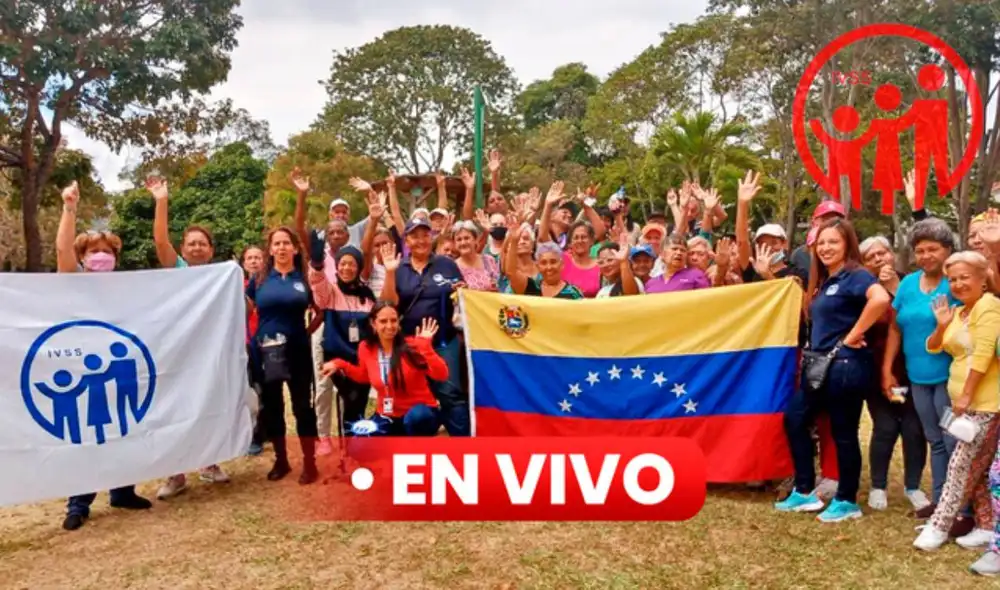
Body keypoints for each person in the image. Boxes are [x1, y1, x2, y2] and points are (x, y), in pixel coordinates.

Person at [776, 218, 891, 523]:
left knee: (844, 433)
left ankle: (847, 500)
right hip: (820, 367)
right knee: (795, 419)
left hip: (846, 367)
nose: (826, 248)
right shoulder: (826, 280)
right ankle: (803, 490)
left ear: (847, 245)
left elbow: (880, 299)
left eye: (834, 242)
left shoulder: (856, 275)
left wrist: (854, 334)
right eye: (822, 243)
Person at [54, 182, 153, 531]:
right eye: (93, 250)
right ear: (83, 258)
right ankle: (78, 503)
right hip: (84, 371)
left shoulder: (124, 287)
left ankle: (123, 491)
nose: (100, 255)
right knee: (88, 434)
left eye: (106, 250)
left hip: (121, 367)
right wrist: (69, 208)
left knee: (124, 426)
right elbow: (62, 250)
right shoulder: (74, 280)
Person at [146, 176, 230, 498]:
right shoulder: (177, 268)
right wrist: (162, 200)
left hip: (207, 355)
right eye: (191, 242)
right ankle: (175, 473)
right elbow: (159, 243)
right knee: (175, 410)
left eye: (202, 243)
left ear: (210, 250)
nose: (197, 247)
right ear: (183, 249)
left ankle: (209, 463)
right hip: (176, 354)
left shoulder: (219, 276)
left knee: (207, 405)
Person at [914, 252, 1000, 551]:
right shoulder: (960, 311)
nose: (958, 284)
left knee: (960, 466)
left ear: (982, 278)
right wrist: (941, 325)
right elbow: (934, 347)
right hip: (961, 405)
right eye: (953, 279)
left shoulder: (989, 307)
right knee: (976, 468)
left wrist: (967, 394)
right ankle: (987, 527)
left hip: (984, 403)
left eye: (965, 277)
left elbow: (984, 352)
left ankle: (939, 526)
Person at [885, 219, 962, 521]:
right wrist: (887, 368)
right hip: (917, 377)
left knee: (953, 441)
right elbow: (895, 327)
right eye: (920, 250)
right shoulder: (907, 284)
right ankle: (942, 500)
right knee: (934, 439)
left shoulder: (955, 282)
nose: (926, 255)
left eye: (933, 249)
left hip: (948, 376)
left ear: (947, 250)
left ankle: (959, 508)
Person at [379, 218, 469, 437]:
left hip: (442, 344)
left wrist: (463, 291)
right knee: (411, 399)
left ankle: (465, 449)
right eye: (415, 236)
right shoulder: (398, 268)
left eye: (425, 235)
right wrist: (390, 272)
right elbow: (389, 304)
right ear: (406, 240)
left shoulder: (447, 264)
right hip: (409, 346)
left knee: (451, 395)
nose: (421, 240)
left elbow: (462, 297)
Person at [857, 236, 927, 513]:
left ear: (892, 254)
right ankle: (878, 486)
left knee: (913, 429)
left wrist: (895, 289)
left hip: (914, 370)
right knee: (885, 428)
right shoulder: (862, 289)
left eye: (882, 252)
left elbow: (916, 318)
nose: (878, 259)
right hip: (877, 371)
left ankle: (913, 486)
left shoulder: (912, 283)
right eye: (870, 256)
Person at [246, 227, 320, 484]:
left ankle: (310, 463)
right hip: (266, 351)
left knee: (303, 407)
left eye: (286, 243)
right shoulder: (260, 279)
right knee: (273, 407)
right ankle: (281, 460)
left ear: (295, 248)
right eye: (276, 244)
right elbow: (245, 310)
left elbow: (320, 310)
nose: (281, 248)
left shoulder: (306, 278)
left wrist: (305, 331)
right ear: (270, 249)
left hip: (297, 350)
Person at [322, 304, 448, 436]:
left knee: (416, 418)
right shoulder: (366, 347)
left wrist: (426, 348)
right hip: (388, 415)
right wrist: (340, 364)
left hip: (419, 412)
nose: (389, 326)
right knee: (360, 442)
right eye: (383, 321)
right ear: (373, 323)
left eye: (393, 320)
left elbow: (442, 375)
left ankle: (414, 450)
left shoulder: (413, 345)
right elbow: (364, 376)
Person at [505, 228, 584, 300]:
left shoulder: (574, 293)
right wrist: (514, 241)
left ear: (562, 264)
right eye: (543, 263)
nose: (549, 267)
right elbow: (511, 272)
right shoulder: (532, 287)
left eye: (553, 262)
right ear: (538, 266)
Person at [242, 246, 266, 456]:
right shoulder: (235, 287)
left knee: (269, 389)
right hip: (245, 345)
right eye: (249, 258)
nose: (253, 261)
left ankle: (270, 432)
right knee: (251, 391)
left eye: (258, 257)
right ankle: (254, 436)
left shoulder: (269, 285)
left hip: (267, 342)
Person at [643, 235, 710, 294]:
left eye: (683, 250)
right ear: (662, 254)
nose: (679, 253)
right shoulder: (650, 283)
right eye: (674, 249)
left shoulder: (696, 275)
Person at [453, 220, 500, 291]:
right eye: (459, 240)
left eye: (467, 238)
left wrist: (495, 287)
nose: (463, 243)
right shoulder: (453, 266)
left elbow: (499, 287)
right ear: (455, 244)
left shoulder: (488, 260)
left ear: (475, 240)